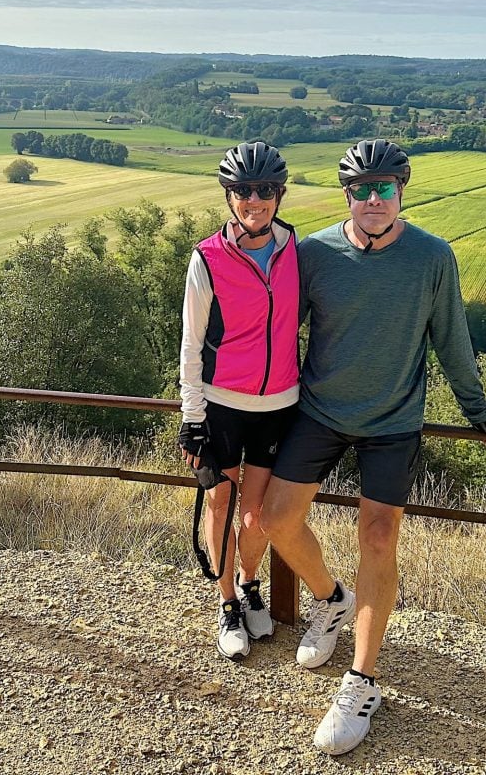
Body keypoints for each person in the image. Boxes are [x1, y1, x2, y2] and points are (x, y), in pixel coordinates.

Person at [261, 138, 486, 754]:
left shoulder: (432, 256)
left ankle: (362, 681)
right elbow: (270, 331)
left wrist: (479, 412)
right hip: (319, 411)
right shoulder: (312, 253)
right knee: (273, 519)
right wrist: (231, 407)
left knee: (377, 537)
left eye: (384, 188)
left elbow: (452, 336)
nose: (372, 199)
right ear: (346, 193)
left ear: (402, 190)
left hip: (394, 420)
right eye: (360, 189)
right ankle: (330, 600)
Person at [179, 141, 300, 660]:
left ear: (280, 194)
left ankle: (250, 585)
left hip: (279, 404)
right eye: (244, 191)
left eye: (266, 190)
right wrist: (192, 417)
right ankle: (227, 601)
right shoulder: (206, 258)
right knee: (220, 504)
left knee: (256, 516)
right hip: (222, 404)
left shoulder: (299, 247)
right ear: (229, 196)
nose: (255, 200)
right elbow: (189, 343)